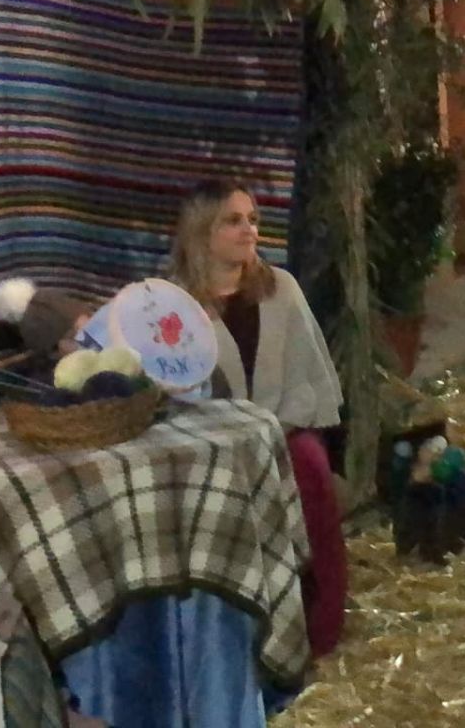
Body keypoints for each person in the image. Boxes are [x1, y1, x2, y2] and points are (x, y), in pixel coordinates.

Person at [168, 180, 348, 658]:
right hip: (212, 443)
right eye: (234, 220)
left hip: (286, 429)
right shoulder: (176, 307)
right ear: (202, 231)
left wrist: (273, 432)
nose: (249, 229)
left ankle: (318, 629)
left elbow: (307, 374)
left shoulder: (280, 288)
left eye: (252, 219)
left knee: (309, 469)